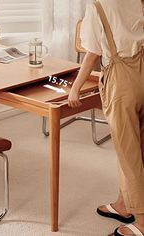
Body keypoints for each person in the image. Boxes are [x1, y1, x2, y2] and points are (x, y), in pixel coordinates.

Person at [68, 0, 144, 235]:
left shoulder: (97, 6)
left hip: (121, 81)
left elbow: (92, 55)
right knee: (139, 146)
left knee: (127, 150)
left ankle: (142, 220)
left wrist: (75, 88)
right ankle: (123, 203)